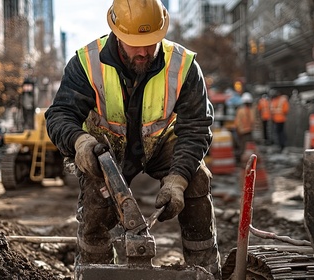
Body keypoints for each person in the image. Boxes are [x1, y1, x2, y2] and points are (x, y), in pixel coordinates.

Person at [44, 0, 222, 278]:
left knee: (196, 179)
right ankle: (97, 271)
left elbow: (196, 128)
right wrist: (79, 142)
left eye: (150, 43)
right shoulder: (86, 63)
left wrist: (178, 179)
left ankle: (205, 269)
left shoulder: (183, 65)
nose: (143, 51)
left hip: (161, 144)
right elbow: (59, 115)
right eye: (134, 43)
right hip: (106, 149)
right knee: (97, 199)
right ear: (116, 34)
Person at [234, 92, 255, 162]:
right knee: (247, 147)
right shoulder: (251, 110)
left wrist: (239, 131)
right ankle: (245, 159)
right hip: (247, 131)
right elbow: (252, 121)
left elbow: (237, 122)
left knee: (244, 146)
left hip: (243, 131)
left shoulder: (240, 110)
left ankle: (244, 159)